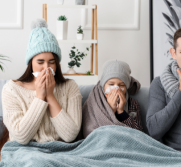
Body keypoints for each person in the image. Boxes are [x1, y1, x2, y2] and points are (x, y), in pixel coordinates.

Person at [0, 19, 82, 150]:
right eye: (40, 62)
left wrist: (50, 95)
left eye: (51, 62)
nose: (46, 68)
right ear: (31, 63)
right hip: (23, 151)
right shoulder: (11, 89)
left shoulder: (70, 87)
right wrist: (40, 96)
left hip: (60, 151)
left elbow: (70, 135)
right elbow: (21, 136)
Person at [82, 59, 143, 138]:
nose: (116, 88)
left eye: (121, 85)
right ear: (103, 85)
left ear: (127, 87)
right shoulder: (94, 102)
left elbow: (140, 135)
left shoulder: (133, 104)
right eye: (111, 84)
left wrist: (121, 112)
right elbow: (89, 132)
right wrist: (110, 110)